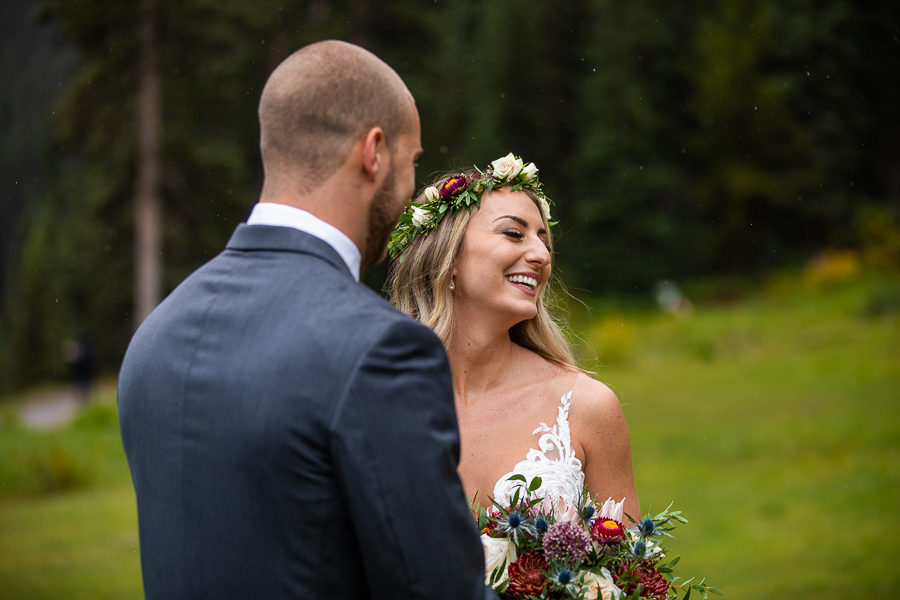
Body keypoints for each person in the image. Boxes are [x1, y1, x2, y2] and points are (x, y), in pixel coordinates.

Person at [118, 40, 493, 599]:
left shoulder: (155, 336)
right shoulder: (380, 348)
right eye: (412, 162)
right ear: (374, 152)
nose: (412, 190)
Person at [388, 153, 640, 519]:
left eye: (544, 240)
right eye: (514, 233)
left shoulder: (587, 407)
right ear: (449, 258)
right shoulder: (378, 401)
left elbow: (631, 572)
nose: (541, 254)